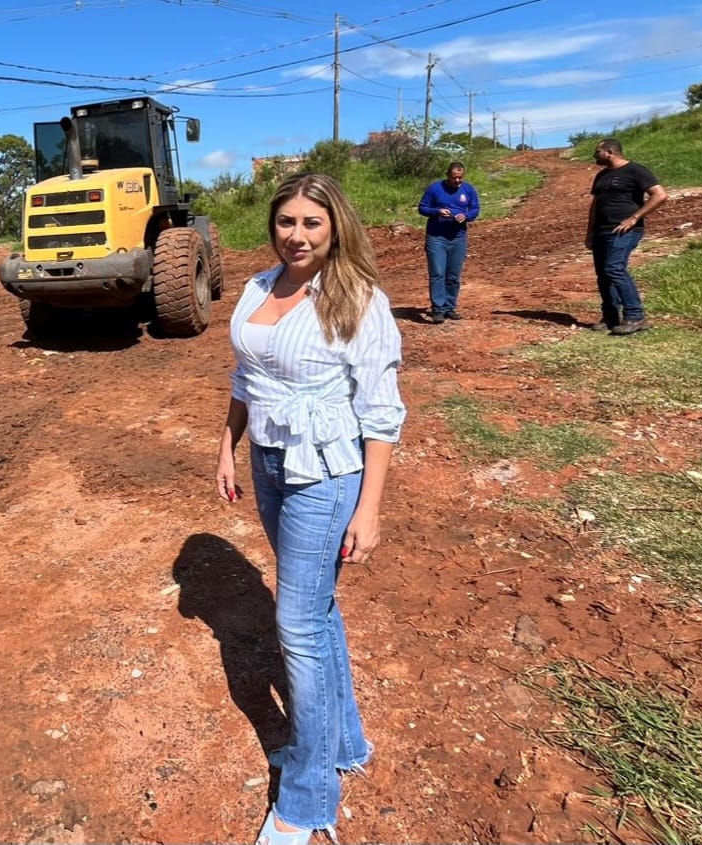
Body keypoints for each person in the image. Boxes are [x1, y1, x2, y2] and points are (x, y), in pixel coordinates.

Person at [215, 173, 405, 845]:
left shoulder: (357, 299)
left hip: (326, 473)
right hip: (270, 464)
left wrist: (370, 509)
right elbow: (245, 377)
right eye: (287, 221)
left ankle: (308, 793)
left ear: (336, 229)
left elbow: (381, 415)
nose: (296, 234)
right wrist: (227, 445)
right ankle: (343, 742)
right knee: (317, 611)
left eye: (311, 223)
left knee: (295, 624)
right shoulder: (258, 287)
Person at [585, 138, 667, 335]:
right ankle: (611, 317)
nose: (595, 156)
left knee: (614, 268)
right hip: (602, 230)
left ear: (610, 152)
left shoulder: (636, 170)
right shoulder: (601, 176)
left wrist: (634, 218)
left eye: (598, 152)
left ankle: (635, 316)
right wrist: (589, 232)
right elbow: (595, 205)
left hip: (625, 230)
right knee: (603, 275)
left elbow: (660, 195)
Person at [417, 162, 480, 323]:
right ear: (447, 175)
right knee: (437, 273)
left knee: (453, 275)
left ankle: (449, 307)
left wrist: (466, 216)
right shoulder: (434, 189)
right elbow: (422, 208)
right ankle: (438, 309)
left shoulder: (468, 189)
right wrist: (436, 211)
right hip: (436, 237)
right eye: (454, 178)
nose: (457, 181)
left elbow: (475, 209)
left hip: (458, 237)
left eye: (460, 177)